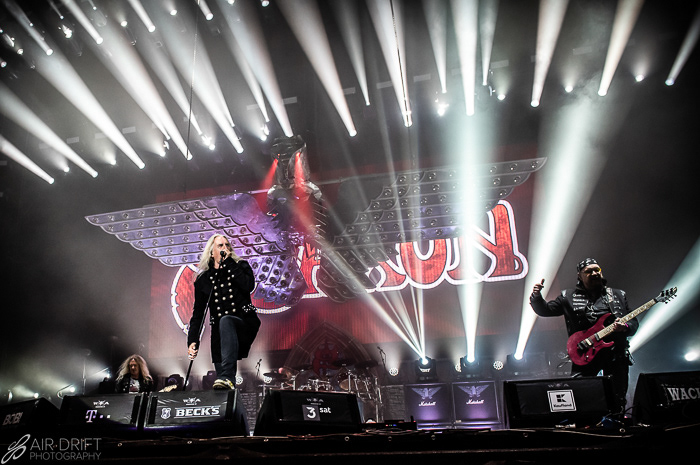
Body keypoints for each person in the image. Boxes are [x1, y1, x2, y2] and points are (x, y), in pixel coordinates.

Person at [530, 258, 638, 413]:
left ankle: (616, 420)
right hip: (585, 351)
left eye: (597, 270)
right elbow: (546, 310)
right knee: (580, 390)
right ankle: (587, 422)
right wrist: (536, 296)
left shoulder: (618, 295)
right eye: (588, 271)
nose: (594, 273)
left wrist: (625, 327)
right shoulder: (568, 296)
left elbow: (632, 321)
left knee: (617, 395)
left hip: (615, 352)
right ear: (579, 276)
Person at [187, 234, 260, 390]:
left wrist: (229, 264)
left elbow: (248, 286)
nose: (225, 248)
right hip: (219, 333)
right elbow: (198, 313)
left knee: (226, 320)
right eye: (220, 246)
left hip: (243, 323)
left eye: (227, 245)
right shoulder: (204, 279)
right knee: (222, 384)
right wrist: (193, 340)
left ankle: (227, 376)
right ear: (211, 251)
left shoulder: (240, 266)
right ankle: (227, 387)